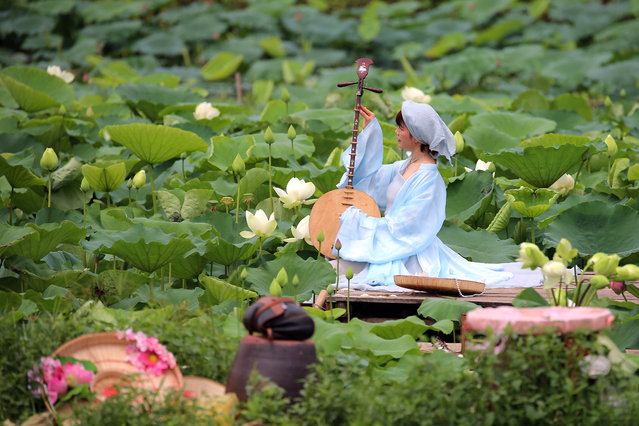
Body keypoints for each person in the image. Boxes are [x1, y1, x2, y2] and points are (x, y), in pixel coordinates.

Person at [331, 100, 523, 290]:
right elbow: (368, 179)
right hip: (388, 243)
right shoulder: (404, 166)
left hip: (410, 251)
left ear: (416, 136)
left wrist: (358, 222)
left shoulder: (429, 179)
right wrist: (371, 133)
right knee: (333, 270)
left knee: (336, 274)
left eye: (401, 128)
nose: (396, 132)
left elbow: (407, 226)